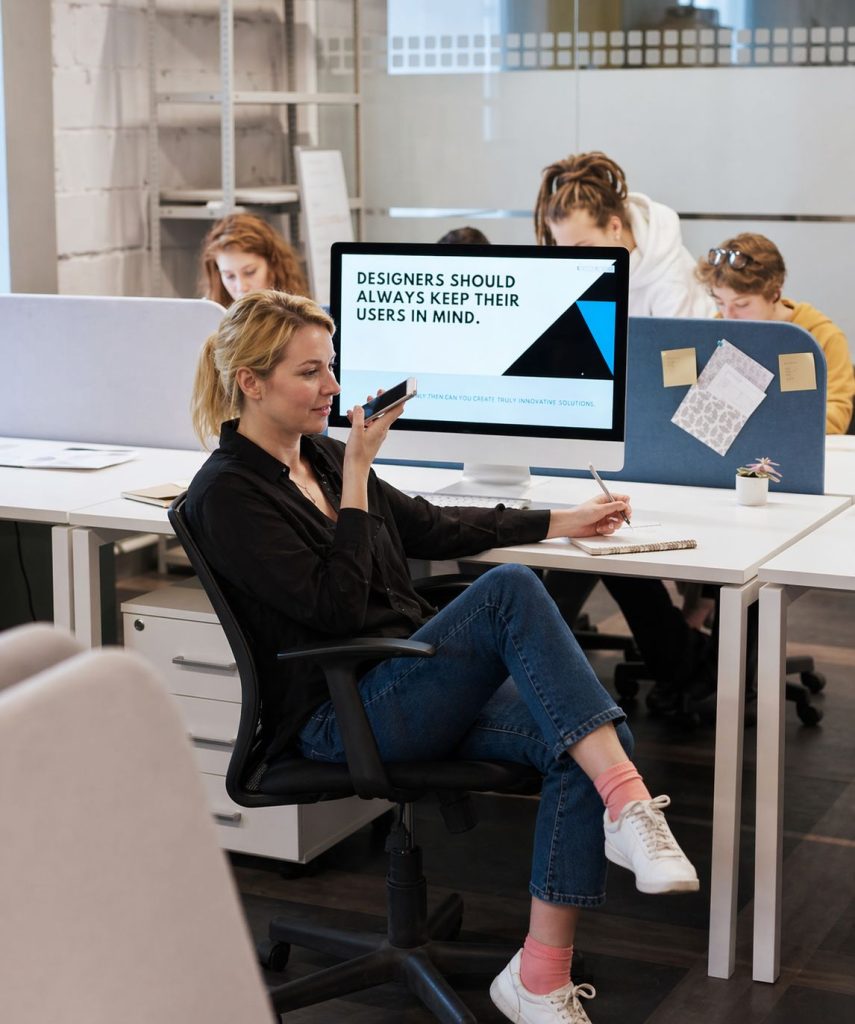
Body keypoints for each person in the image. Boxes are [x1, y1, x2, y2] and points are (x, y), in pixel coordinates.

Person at [186, 290, 699, 1024]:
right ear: (251, 382)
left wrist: (562, 519)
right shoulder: (229, 495)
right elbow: (334, 606)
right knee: (510, 590)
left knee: (589, 733)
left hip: (407, 680)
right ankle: (629, 805)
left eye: (330, 368)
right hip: (342, 713)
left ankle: (540, 978)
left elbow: (431, 524)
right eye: (310, 373)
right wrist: (359, 475)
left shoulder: (320, 457)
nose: (332, 388)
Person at [696, 232, 855, 434]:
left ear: (774, 294)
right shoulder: (717, 331)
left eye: (742, 304)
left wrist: (770, 427)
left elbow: (836, 417)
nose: (728, 315)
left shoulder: (822, 337)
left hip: (795, 453)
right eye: (720, 302)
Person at [534, 150, 713, 318]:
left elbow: (679, 350)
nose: (575, 260)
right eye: (564, 250)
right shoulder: (587, 266)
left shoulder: (669, 279)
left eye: (583, 247)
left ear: (614, 227)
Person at [199, 212, 309, 308]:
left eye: (250, 272)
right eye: (229, 276)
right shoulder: (213, 315)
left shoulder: (301, 320)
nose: (241, 287)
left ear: (272, 264)